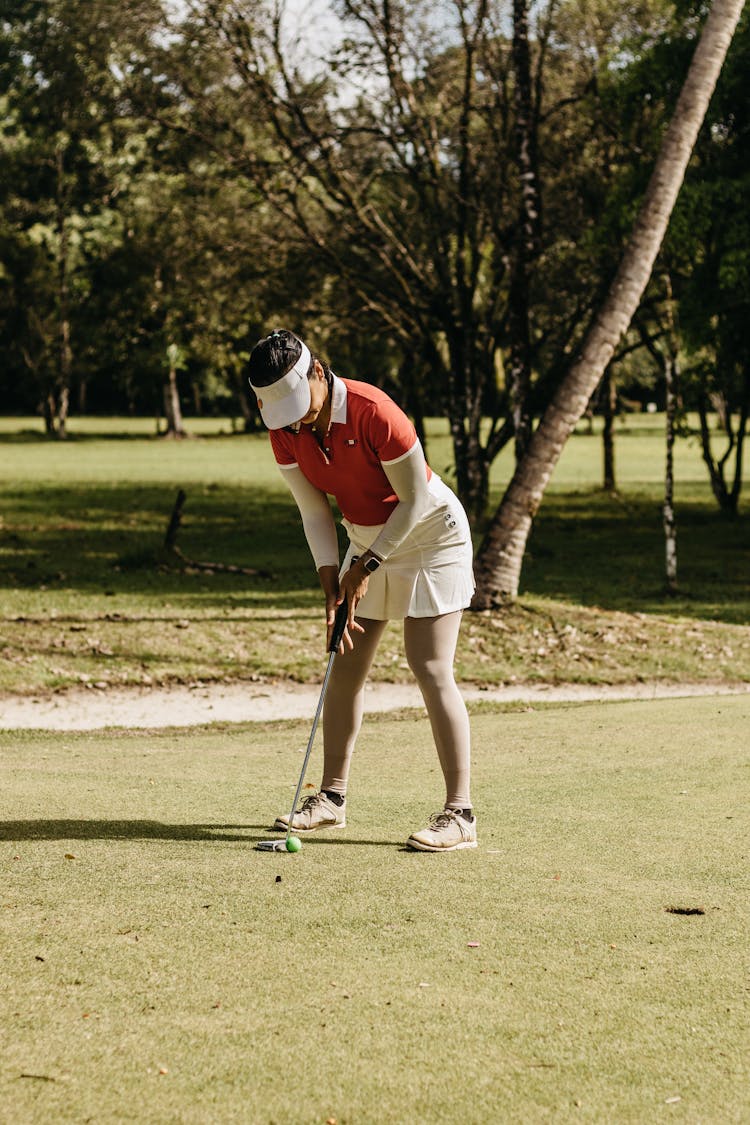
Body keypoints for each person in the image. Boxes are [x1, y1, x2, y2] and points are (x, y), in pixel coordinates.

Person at [247, 329, 477, 851]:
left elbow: (414, 499)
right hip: (364, 538)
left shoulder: (375, 411)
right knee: (344, 663)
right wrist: (331, 576)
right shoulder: (286, 429)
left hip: (430, 536)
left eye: (301, 406)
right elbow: (313, 510)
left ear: (318, 374)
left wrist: (367, 565)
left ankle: (460, 815)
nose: (298, 420)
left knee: (430, 665)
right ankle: (330, 800)